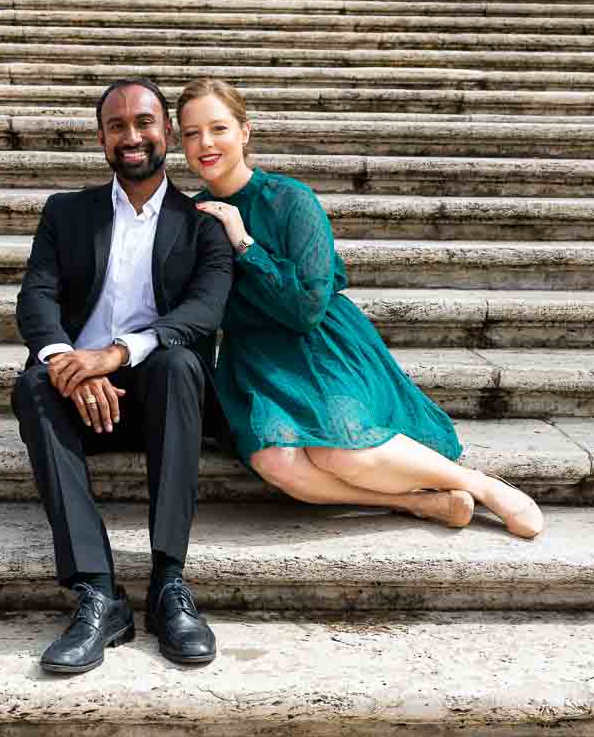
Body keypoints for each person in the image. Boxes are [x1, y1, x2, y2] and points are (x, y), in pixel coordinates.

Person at [176, 77, 544, 539]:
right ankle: (418, 503)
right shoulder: (190, 217)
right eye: (191, 134)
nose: (205, 143)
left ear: (245, 132)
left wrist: (244, 243)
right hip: (256, 361)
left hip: (319, 345)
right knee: (278, 461)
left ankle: (481, 485)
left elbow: (307, 307)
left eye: (218, 128)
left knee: (338, 450)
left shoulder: (291, 200)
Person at [12, 78, 233, 674]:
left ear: (167, 133)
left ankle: (168, 585)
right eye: (117, 125)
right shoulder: (66, 212)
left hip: (161, 400)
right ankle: (98, 595)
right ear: (102, 138)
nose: (131, 136)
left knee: (182, 362)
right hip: (76, 397)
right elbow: (36, 298)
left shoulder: (203, 224)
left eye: (144, 122)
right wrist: (67, 363)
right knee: (32, 383)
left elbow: (202, 313)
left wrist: (113, 356)